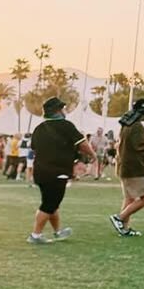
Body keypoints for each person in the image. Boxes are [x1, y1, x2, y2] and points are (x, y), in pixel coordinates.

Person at [27, 97, 94, 244]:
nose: (65, 111)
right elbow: (82, 144)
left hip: (41, 172)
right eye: (63, 108)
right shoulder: (66, 126)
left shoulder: (39, 128)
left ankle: (58, 231)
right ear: (58, 111)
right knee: (49, 204)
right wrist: (93, 155)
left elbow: (34, 148)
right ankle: (35, 235)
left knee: (51, 203)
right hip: (58, 172)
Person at [110, 99, 144, 237]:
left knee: (129, 198)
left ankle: (124, 228)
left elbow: (137, 140)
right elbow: (139, 145)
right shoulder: (137, 126)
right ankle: (119, 218)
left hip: (125, 167)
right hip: (135, 167)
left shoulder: (127, 124)